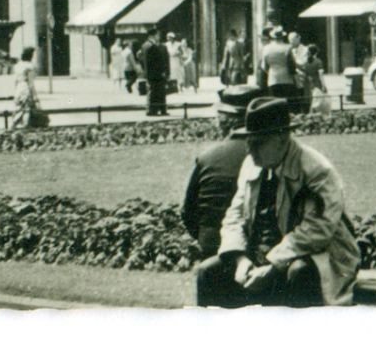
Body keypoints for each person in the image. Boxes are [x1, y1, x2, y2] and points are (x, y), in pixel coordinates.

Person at [194, 98, 360, 307]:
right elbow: (234, 216)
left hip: (315, 256)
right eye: (248, 142)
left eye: (258, 143)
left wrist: (274, 264)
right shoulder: (252, 164)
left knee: (299, 273)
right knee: (207, 273)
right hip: (259, 257)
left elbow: (318, 230)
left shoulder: (316, 170)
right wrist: (239, 258)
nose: (250, 150)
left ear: (282, 137)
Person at [181, 85, 262, 258]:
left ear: (223, 121)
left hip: (212, 247)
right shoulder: (269, 155)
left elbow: (188, 211)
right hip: (256, 247)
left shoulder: (207, 157)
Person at [9, 46, 47, 129]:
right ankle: (23, 125)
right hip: (25, 87)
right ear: (30, 56)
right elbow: (30, 82)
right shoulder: (29, 66)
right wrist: (35, 95)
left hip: (18, 87)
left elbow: (15, 80)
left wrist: (15, 91)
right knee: (26, 109)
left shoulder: (17, 66)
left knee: (19, 107)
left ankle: (14, 125)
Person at [257, 28, 298, 100]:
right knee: (286, 102)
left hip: (273, 79)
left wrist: (270, 71)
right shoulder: (287, 47)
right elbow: (292, 65)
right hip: (286, 79)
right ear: (282, 37)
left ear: (273, 37)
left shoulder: (266, 48)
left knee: (275, 102)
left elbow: (264, 66)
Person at [142, 28, 171, 116]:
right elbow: (152, 62)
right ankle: (152, 110)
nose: (158, 36)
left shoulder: (147, 45)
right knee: (154, 91)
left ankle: (156, 109)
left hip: (153, 73)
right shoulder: (150, 46)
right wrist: (161, 71)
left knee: (156, 91)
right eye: (157, 35)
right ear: (152, 35)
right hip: (155, 73)